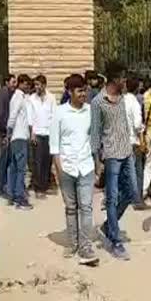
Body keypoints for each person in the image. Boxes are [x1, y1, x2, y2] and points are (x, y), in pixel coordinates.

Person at [50, 74, 99, 266]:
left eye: (85, 90)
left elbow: (94, 139)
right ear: (69, 92)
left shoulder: (91, 111)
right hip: (67, 168)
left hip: (86, 166)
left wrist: (97, 164)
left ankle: (86, 247)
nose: (83, 94)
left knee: (86, 208)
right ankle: (73, 243)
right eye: (79, 91)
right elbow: (54, 145)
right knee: (71, 208)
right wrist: (59, 170)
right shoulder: (60, 113)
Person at [90, 61, 137, 260]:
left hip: (126, 152)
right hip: (110, 155)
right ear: (115, 79)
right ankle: (115, 241)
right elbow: (94, 133)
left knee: (133, 191)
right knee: (112, 197)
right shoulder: (98, 102)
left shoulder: (123, 98)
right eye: (123, 77)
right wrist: (97, 162)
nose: (125, 81)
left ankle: (109, 224)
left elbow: (125, 125)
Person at [7, 74, 33, 210]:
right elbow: (13, 116)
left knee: (14, 168)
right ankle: (19, 198)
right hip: (19, 136)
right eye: (27, 84)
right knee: (21, 169)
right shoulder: (18, 97)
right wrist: (9, 130)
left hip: (17, 137)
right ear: (21, 84)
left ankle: (12, 195)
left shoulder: (19, 97)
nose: (28, 87)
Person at [29, 75, 57, 199]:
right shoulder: (31, 99)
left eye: (39, 85)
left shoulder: (51, 98)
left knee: (47, 161)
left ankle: (45, 186)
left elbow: (55, 115)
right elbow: (30, 117)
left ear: (44, 85)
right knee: (38, 161)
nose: (37, 87)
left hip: (49, 133)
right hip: (38, 133)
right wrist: (32, 133)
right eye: (35, 85)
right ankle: (38, 187)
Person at [124, 76, 149, 211]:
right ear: (137, 87)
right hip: (133, 140)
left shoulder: (122, 99)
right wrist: (142, 141)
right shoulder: (134, 102)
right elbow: (137, 124)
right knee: (138, 172)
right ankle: (138, 200)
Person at [0, 74, 16, 197]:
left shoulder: (8, 93)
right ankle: (1, 187)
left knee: (6, 159)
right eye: (13, 82)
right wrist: (5, 133)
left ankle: (3, 185)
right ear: (7, 82)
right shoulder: (4, 93)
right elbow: (1, 115)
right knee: (4, 159)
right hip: (3, 132)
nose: (15, 85)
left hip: (4, 131)